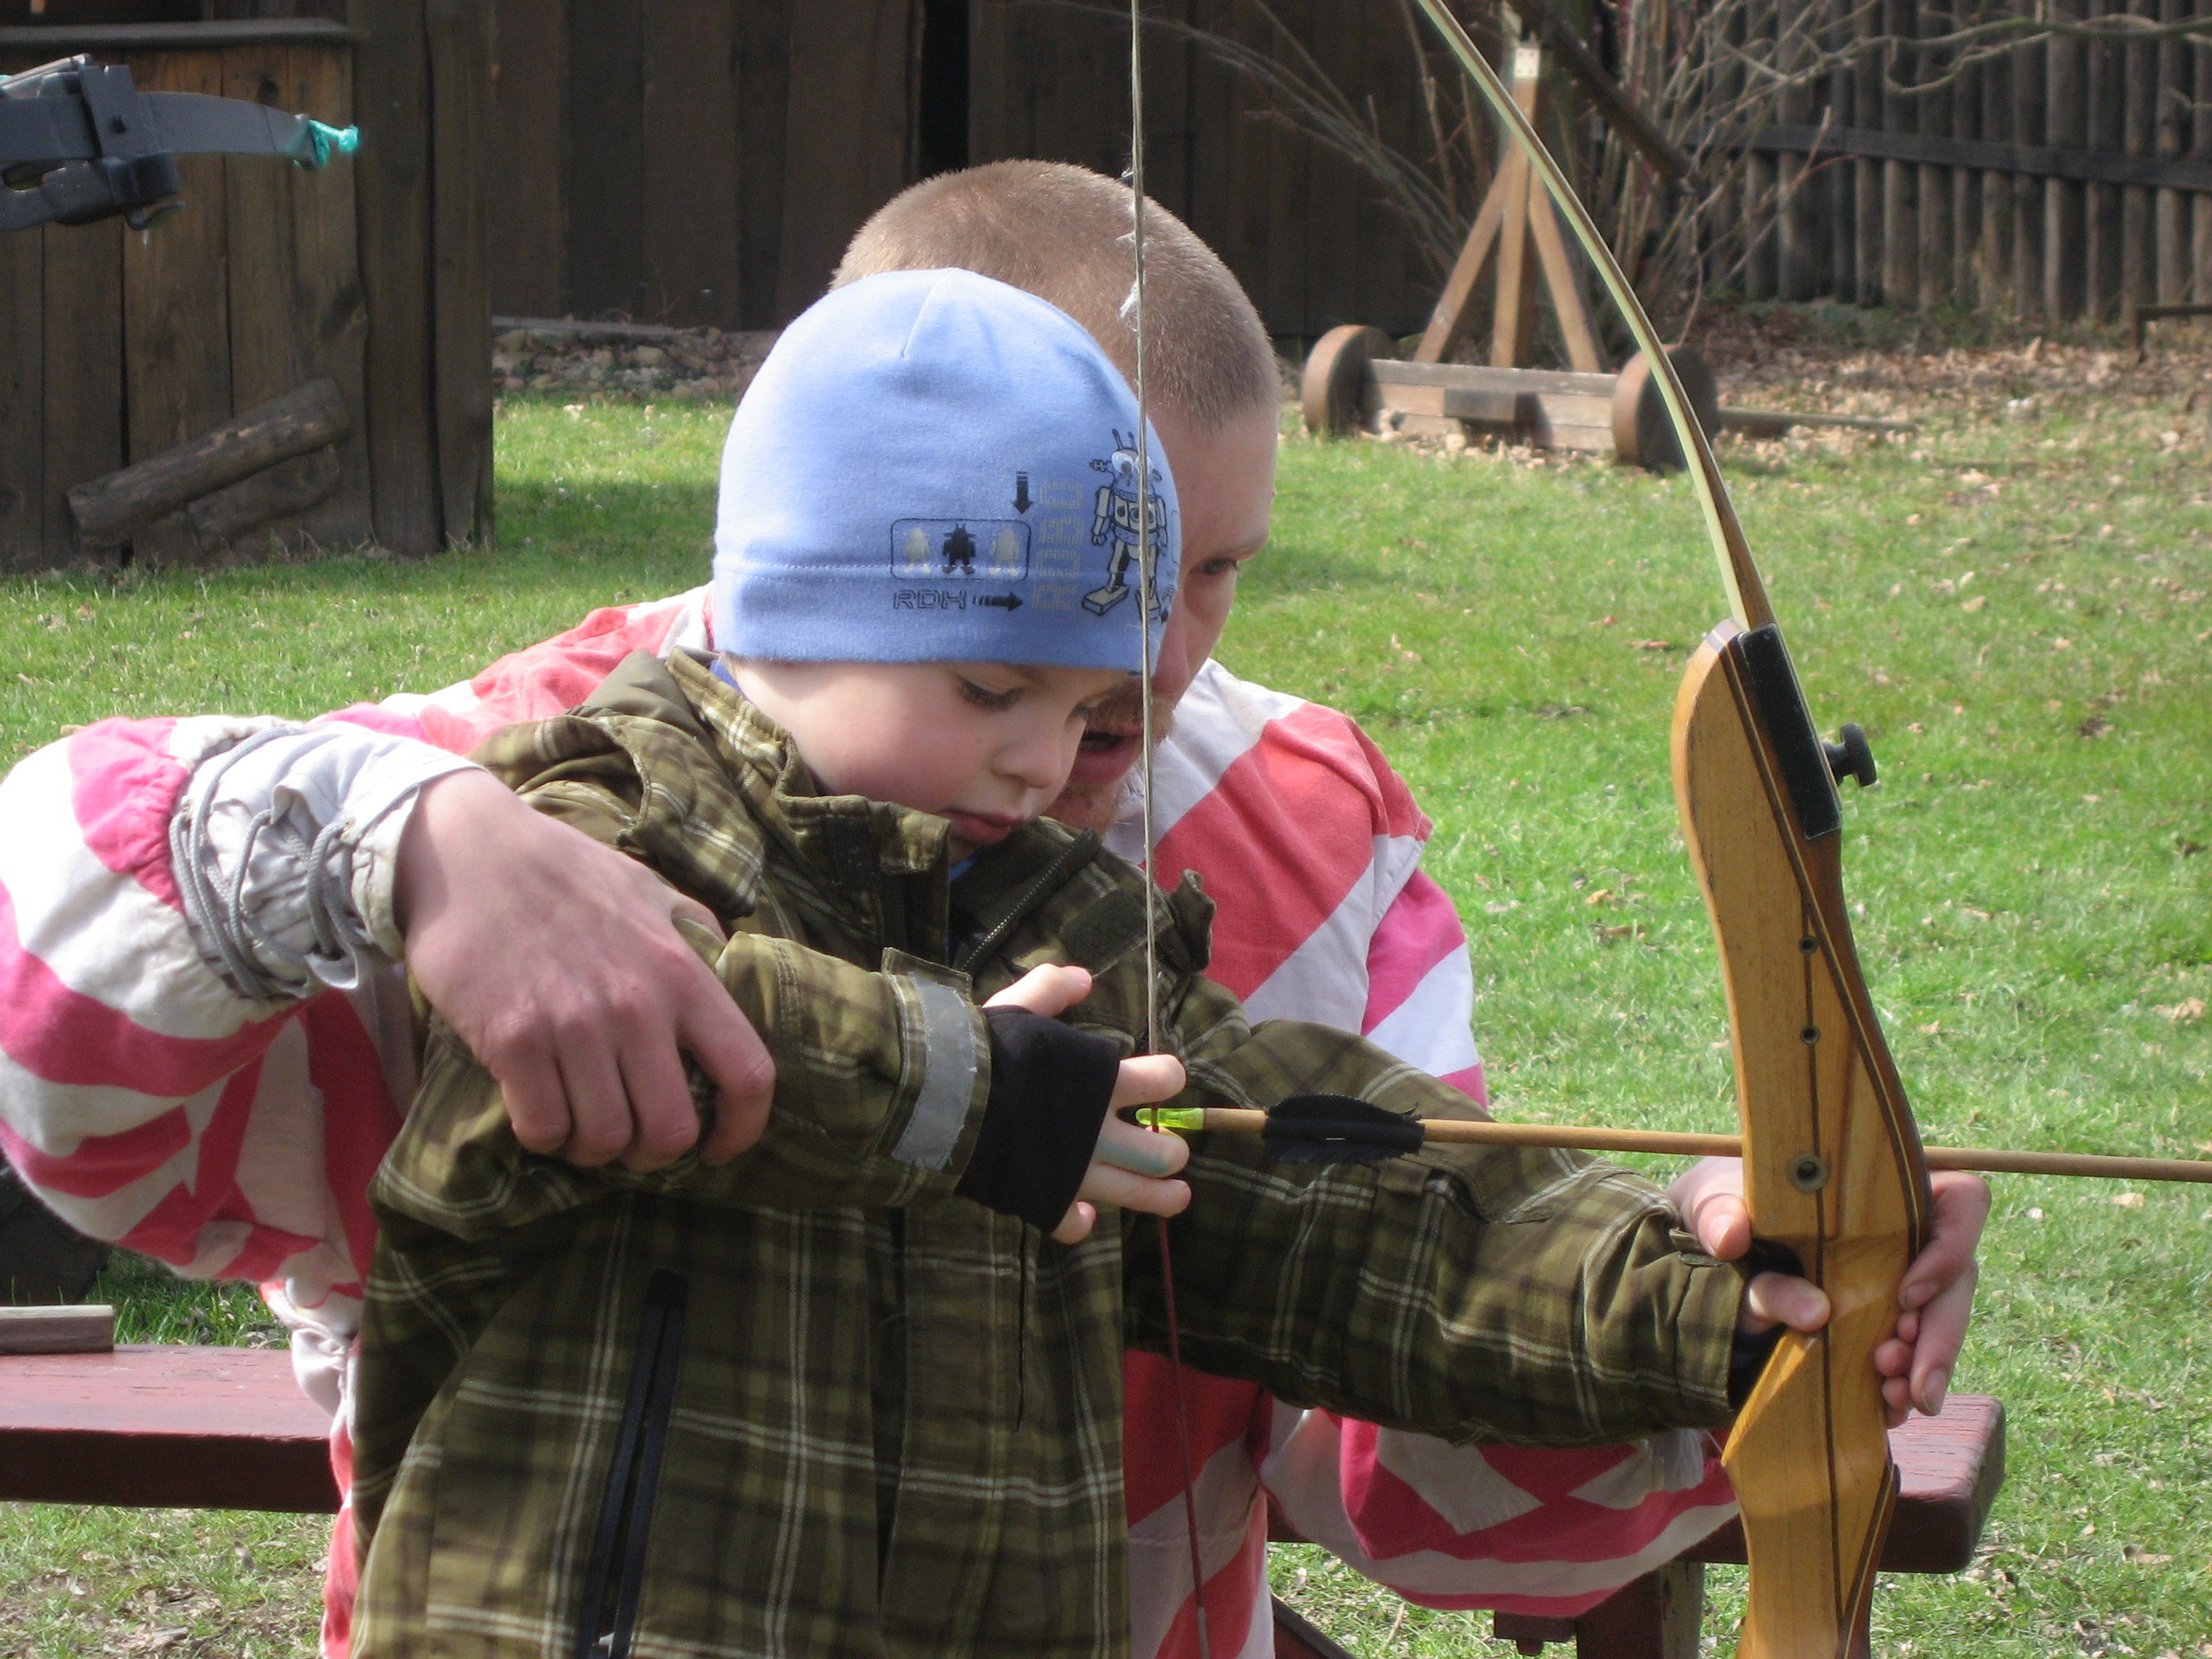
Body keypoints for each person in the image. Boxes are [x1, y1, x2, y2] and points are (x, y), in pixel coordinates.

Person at [0, 162, 1987, 1659]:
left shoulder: (1238, 850)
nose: (1136, 692)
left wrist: (1723, 1292)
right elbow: (75, 1060)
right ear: (829, 571)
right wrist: (409, 843)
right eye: (1001, 663)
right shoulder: (527, 804)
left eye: (1209, 576)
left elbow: (1377, 1325)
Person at [349, 264, 1809, 1659]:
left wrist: (1714, 1304)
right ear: (795, 611)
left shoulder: (1056, 921)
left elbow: (1343, 1215)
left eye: (1082, 709)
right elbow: (672, 1038)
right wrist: (965, 1096)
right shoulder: (589, 831)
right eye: (994, 689)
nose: (1045, 762)